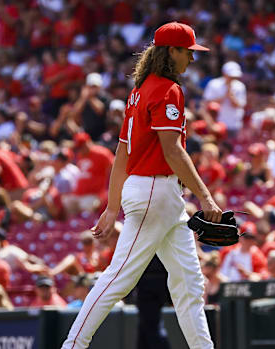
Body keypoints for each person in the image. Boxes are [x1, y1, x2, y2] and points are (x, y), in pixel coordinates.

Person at [61, 22, 220, 349]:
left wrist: (113, 206)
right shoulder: (166, 89)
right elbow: (172, 149)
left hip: (158, 194)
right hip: (154, 190)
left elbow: (122, 152)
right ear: (171, 51)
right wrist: (205, 196)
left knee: (189, 284)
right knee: (117, 279)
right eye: (188, 51)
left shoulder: (139, 90)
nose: (191, 58)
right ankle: (72, 345)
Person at [202, 61, 247, 135]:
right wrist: (224, 96)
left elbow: (240, 105)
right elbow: (207, 103)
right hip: (216, 125)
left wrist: (231, 96)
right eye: (230, 76)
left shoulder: (240, 86)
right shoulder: (214, 84)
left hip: (234, 125)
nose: (232, 78)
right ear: (224, 73)